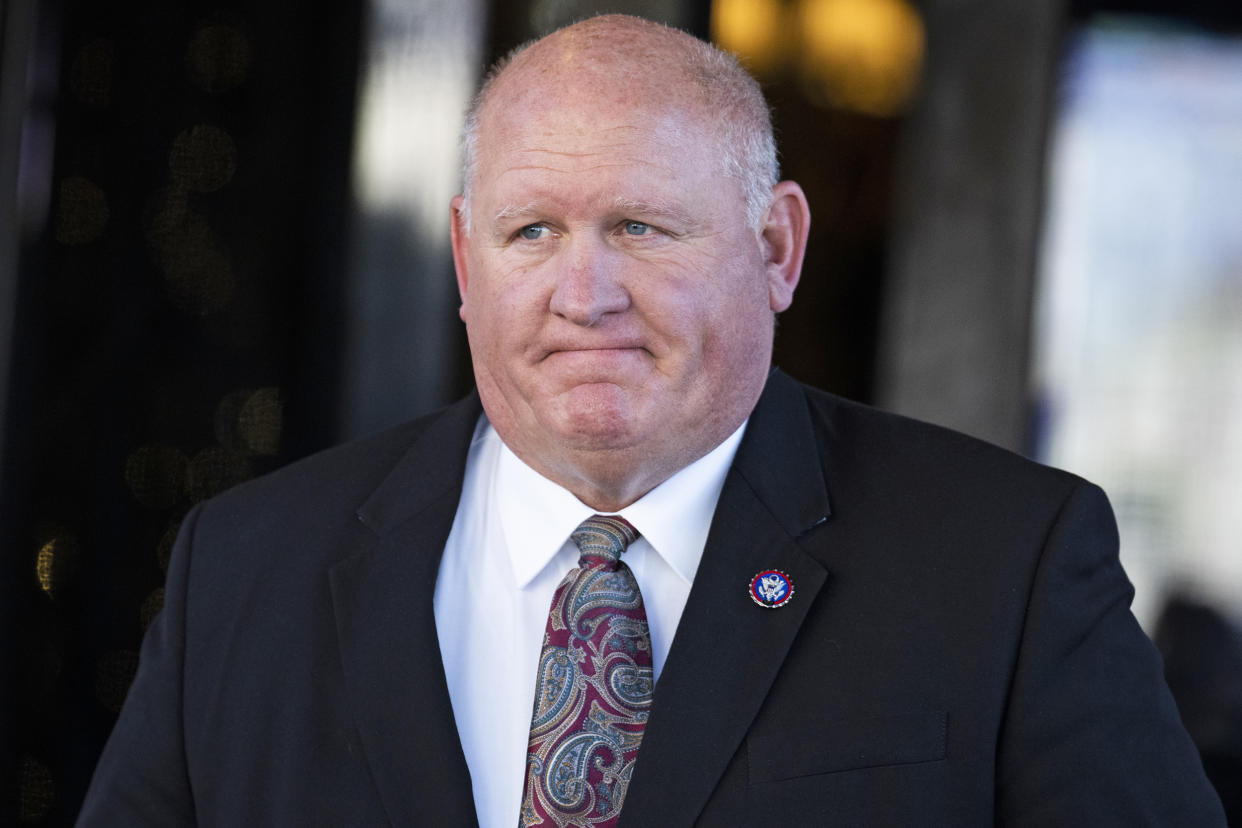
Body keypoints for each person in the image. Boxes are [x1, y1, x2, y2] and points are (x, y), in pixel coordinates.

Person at [78, 14, 1224, 827]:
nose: (585, 295)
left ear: (775, 247)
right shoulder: (246, 570)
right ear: (466, 259)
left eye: (640, 227)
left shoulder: (1003, 568)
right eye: (532, 233)